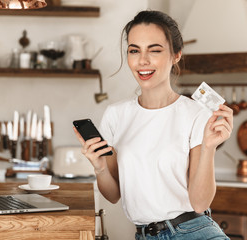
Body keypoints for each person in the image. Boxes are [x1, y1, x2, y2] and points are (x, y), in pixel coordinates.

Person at [73, 10, 233, 240]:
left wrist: (209, 148)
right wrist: (99, 168)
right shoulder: (116, 115)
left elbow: (200, 202)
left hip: (194, 232)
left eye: (155, 50)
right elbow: (114, 194)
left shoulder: (196, 114)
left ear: (176, 55)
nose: (142, 61)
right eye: (134, 50)